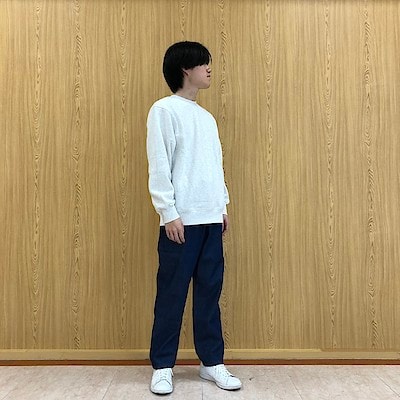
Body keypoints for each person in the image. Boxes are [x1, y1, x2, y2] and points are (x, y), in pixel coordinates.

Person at [146, 41, 242, 395]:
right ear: (186, 69)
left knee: (209, 294)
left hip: (211, 219)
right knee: (171, 295)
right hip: (180, 223)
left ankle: (211, 362)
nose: (209, 69)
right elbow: (159, 165)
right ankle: (162, 366)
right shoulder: (163, 110)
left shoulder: (206, 117)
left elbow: (214, 165)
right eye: (204, 63)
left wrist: (222, 206)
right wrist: (168, 212)